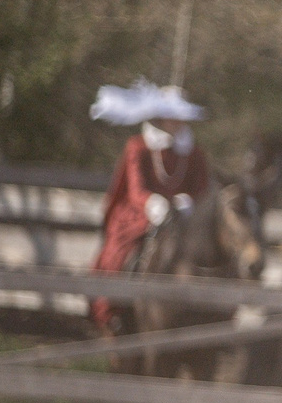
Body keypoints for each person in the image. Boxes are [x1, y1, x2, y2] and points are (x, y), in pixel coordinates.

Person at [86, 81, 213, 333]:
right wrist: (153, 203)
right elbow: (135, 188)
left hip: (183, 218)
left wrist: (188, 202)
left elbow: (201, 186)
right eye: (171, 117)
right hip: (140, 214)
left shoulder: (194, 152)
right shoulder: (138, 147)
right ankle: (115, 310)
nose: (177, 122)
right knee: (121, 252)